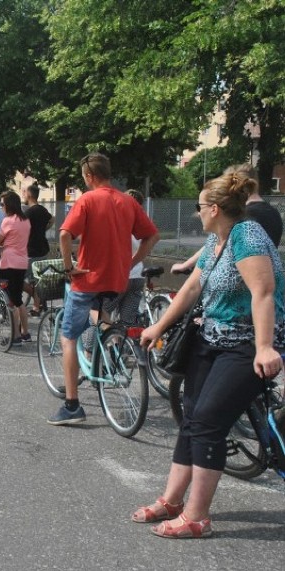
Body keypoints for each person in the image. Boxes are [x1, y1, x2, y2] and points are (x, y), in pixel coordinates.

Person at [136, 170, 284, 539]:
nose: (197, 214)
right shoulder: (218, 240)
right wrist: (159, 326)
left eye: (200, 208)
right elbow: (189, 290)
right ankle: (172, 500)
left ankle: (197, 516)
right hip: (212, 337)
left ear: (215, 209)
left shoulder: (247, 236)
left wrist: (265, 348)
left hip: (246, 342)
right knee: (191, 417)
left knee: (207, 422)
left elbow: (262, 293)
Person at [48, 152, 159, 426]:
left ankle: (72, 405)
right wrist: (131, 262)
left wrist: (67, 266)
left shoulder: (87, 199)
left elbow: (64, 234)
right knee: (103, 321)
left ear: (89, 176)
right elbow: (152, 235)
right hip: (118, 279)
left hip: (87, 279)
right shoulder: (128, 201)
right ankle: (108, 352)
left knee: (68, 337)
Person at [171, 163, 283, 274]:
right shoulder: (273, 213)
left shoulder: (243, 216)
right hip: (267, 275)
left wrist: (185, 265)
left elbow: (215, 243)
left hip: (241, 283)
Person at [101, 189, 148, 326]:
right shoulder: (142, 222)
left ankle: (96, 345)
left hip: (119, 279)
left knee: (100, 312)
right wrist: (133, 263)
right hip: (138, 276)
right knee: (127, 322)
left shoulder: (118, 220)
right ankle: (123, 344)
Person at [0, 191, 31, 345]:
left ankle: (15, 336)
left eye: (2, 204)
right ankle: (25, 332)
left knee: (10, 300)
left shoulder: (8, 221)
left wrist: (0, 245)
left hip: (8, 262)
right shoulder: (25, 220)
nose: (1, 207)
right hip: (22, 262)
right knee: (18, 299)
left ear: (9, 205)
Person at [22, 183, 54, 315]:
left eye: (24, 193)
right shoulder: (42, 210)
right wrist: (43, 229)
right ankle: (37, 306)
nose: (23, 195)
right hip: (43, 249)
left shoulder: (28, 212)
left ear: (29, 195)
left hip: (31, 250)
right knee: (37, 279)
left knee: (18, 279)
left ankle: (37, 300)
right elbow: (52, 220)